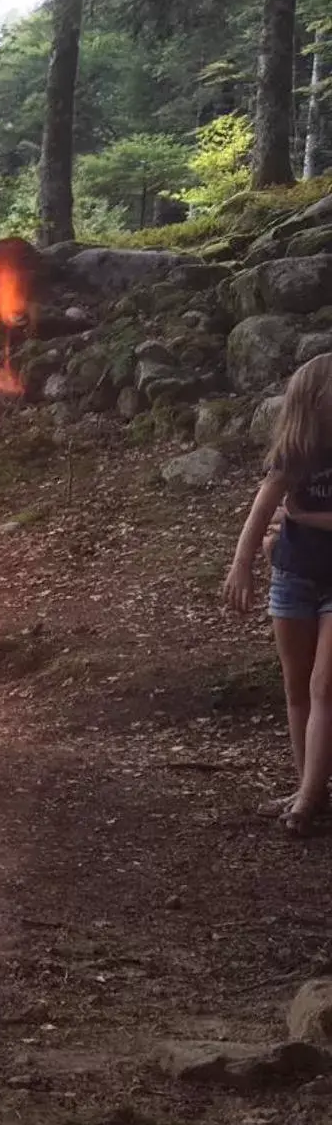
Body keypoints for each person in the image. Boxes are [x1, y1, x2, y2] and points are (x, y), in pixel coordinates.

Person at [225, 355, 332, 836]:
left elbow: (288, 513)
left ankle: (309, 799)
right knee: (296, 691)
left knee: (323, 687)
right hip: (293, 577)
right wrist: (242, 565)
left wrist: (303, 518)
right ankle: (306, 786)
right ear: (316, 400)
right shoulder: (295, 455)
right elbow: (261, 509)